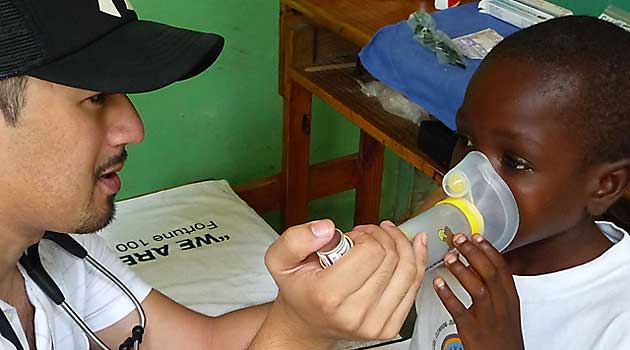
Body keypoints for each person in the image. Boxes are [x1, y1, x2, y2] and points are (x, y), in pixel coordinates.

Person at [0, 1, 428, 349]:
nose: (133, 128)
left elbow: (203, 341)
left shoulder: (56, 249)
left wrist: (310, 309)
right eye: (95, 98)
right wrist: (300, 336)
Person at [411, 15, 630, 350]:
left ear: (604, 186)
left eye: (514, 162)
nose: (464, 177)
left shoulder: (618, 321)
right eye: (465, 140)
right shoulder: (452, 248)